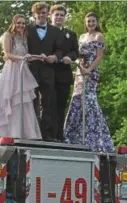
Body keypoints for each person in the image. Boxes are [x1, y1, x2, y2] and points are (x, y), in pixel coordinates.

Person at [64, 12, 114, 152]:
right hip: (80, 71)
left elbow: (99, 57)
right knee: (77, 100)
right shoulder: (82, 37)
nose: (91, 24)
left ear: (97, 22)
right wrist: (80, 67)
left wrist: (89, 70)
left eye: (93, 21)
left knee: (89, 100)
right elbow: (79, 55)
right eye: (88, 21)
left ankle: (94, 137)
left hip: (90, 72)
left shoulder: (99, 36)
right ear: (85, 23)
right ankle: (74, 136)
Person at [0, 14, 42, 139]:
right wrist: (22, 58)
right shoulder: (8, 36)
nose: (21, 25)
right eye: (19, 23)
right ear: (13, 23)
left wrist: (40, 57)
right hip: (12, 70)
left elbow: (26, 56)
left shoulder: (23, 37)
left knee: (24, 100)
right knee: (12, 99)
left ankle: (23, 132)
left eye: (23, 23)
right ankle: (10, 132)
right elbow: (7, 54)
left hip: (23, 70)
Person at [27, 2, 63, 141]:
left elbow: (60, 49)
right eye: (39, 13)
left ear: (48, 14)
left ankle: (47, 134)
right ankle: (31, 132)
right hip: (31, 70)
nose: (42, 15)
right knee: (31, 101)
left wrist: (55, 56)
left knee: (49, 102)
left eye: (44, 12)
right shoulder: (27, 30)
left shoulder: (55, 31)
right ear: (34, 14)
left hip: (48, 71)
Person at [50, 4, 79, 142]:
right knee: (47, 105)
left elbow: (75, 51)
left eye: (62, 15)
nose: (59, 17)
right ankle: (46, 134)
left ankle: (58, 134)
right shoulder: (45, 32)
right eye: (57, 15)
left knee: (61, 106)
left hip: (63, 75)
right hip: (47, 73)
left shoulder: (71, 34)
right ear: (51, 16)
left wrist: (70, 57)